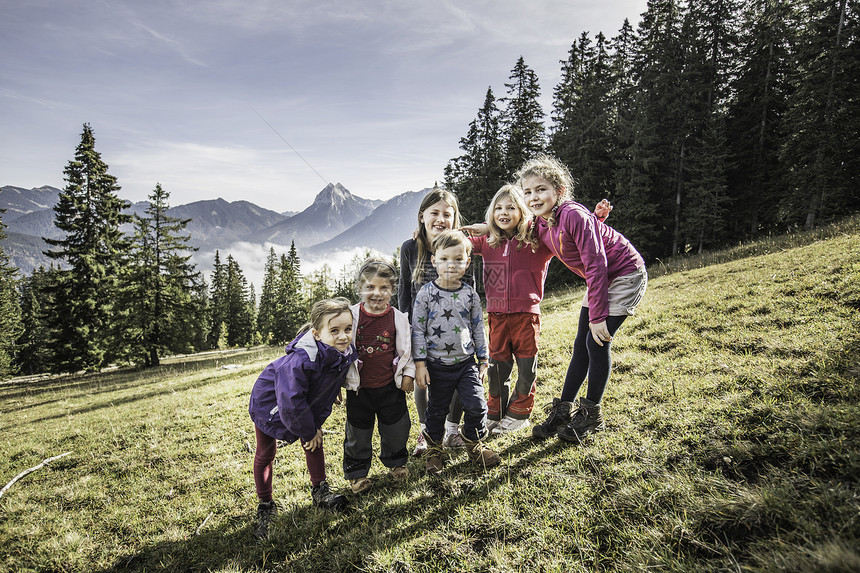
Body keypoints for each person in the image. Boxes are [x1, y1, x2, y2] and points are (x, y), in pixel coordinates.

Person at [463, 187, 613, 435]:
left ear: (523, 212)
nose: (504, 212)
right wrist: (429, 233)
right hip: (497, 316)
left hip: (527, 315)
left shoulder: (538, 240)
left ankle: (519, 412)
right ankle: (495, 411)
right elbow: (456, 245)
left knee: (525, 367)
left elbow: (570, 234)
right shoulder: (487, 241)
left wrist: (596, 220)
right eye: (499, 208)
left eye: (511, 207)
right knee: (497, 366)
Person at [518, 155, 647, 444]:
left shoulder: (574, 213)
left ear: (559, 191)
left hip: (625, 274)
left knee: (595, 340)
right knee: (580, 343)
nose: (533, 197)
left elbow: (597, 262)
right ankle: (563, 409)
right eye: (527, 192)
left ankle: (592, 414)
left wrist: (598, 316)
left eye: (541, 189)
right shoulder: (542, 223)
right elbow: (571, 233)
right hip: (599, 279)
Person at [248, 297, 358, 539]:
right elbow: (291, 402)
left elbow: (334, 369)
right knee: (266, 452)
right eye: (335, 331)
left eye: (348, 329)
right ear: (317, 334)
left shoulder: (342, 350)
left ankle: (320, 490)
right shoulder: (301, 359)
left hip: (304, 404)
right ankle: (265, 504)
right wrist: (308, 430)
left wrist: (335, 387)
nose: (343, 336)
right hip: (270, 405)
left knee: (314, 442)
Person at [411, 229, 500, 473]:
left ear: (467, 262)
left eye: (458, 259)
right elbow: (417, 330)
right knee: (436, 411)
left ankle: (474, 444)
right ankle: (435, 450)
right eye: (445, 259)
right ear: (434, 260)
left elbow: (478, 327)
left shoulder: (469, 294)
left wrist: (483, 358)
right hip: (436, 366)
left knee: (478, 405)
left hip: (466, 364)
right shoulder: (426, 294)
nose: (452, 265)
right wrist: (420, 364)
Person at [399, 188, 472, 454]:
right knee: (424, 378)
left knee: (458, 376)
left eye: (447, 214)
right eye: (434, 213)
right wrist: (405, 326)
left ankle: (452, 431)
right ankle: (426, 432)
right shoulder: (410, 248)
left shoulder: (460, 245)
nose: (440, 219)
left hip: (455, 329)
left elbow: (470, 287)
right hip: (422, 330)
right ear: (422, 216)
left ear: (454, 218)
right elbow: (404, 289)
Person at [343, 257, 414, 493]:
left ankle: (396, 463)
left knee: (396, 428)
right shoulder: (350, 317)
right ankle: (357, 474)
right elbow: (337, 350)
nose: (377, 293)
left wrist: (409, 375)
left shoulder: (398, 318)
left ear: (393, 290)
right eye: (370, 287)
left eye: (384, 288)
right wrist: (334, 385)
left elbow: (408, 350)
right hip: (359, 389)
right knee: (358, 433)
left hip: (389, 387)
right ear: (360, 289)